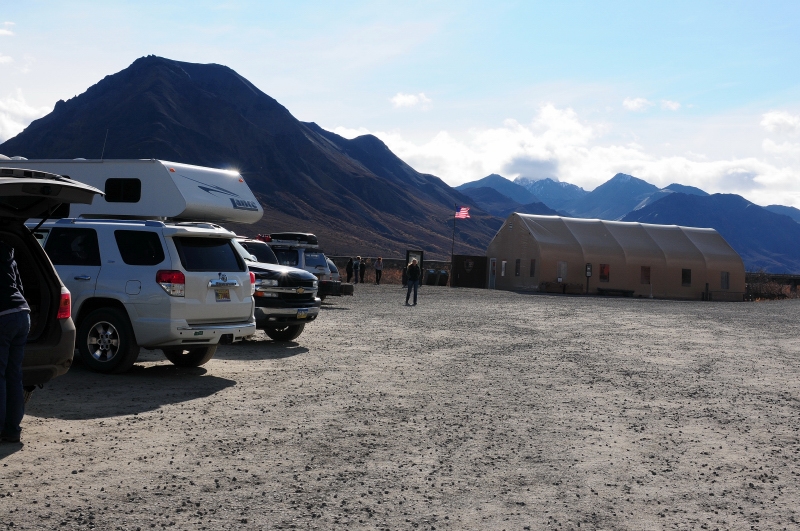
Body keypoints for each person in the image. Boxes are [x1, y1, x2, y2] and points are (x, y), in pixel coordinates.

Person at [0, 242, 30, 444]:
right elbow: (19, 285)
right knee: (14, 375)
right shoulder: (7, 251)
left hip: (3, 317)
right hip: (23, 314)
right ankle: (12, 430)